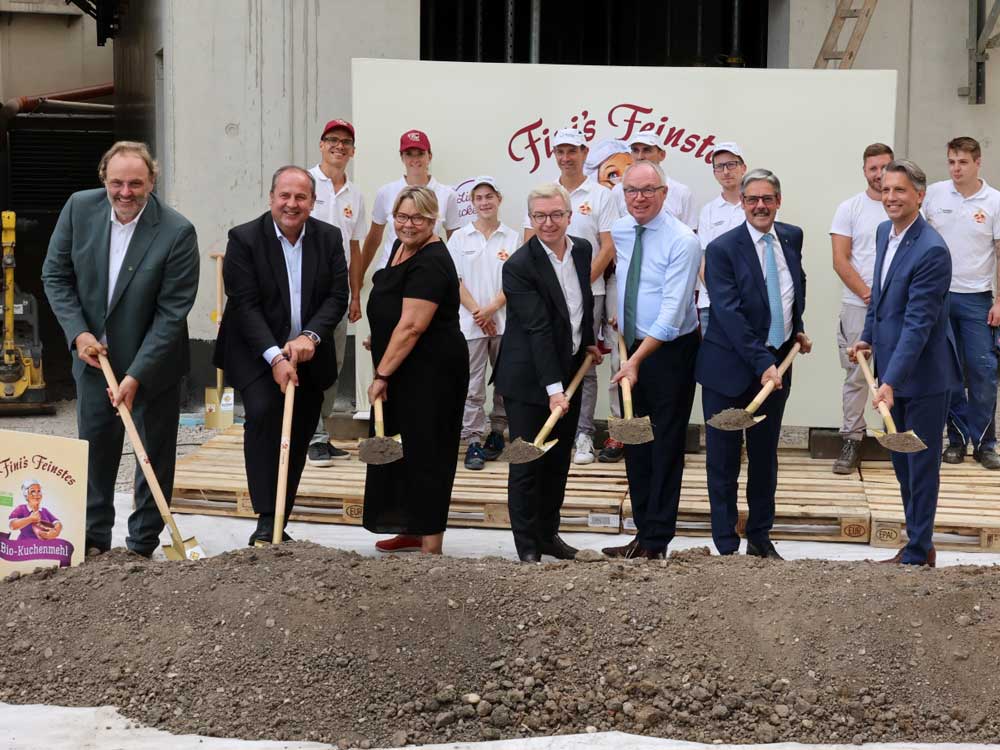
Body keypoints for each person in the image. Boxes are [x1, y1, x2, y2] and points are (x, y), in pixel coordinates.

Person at [42, 141, 199, 558]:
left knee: (152, 457)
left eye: (136, 183)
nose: (125, 192)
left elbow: (172, 313)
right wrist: (78, 334)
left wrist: (136, 375)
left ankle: (140, 546)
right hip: (94, 361)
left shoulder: (176, 232)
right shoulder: (79, 209)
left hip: (153, 366)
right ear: (103, 180)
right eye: (117, 182)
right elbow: (55, 275)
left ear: (152, 181)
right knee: (96, 452)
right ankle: (94, 541)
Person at [214, 166, 349, 545]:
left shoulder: (328, 237)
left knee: (300, 429)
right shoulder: (244, 239)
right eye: (285, 196)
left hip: (309, 352)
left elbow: (338, 296)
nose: (292, 204)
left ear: (312, 202)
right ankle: (265, 519)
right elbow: (244, 304)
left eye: (301, 197)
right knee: (263, 415)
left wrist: (310, 336)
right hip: (256, 349)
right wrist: (275, 357)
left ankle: (279, 519)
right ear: (271, 197)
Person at [849, 159, 961, 567]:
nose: (891, 197)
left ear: (919, 195)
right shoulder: (885, 232)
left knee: (920, 465)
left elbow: (918, 324)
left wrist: (891, 379)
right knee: (900, 462)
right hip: (891, 375)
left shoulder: (932, 250)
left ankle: (918, 550)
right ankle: (918, 543)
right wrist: (867, 336)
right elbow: (879, 297)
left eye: (900, 190)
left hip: (924, 377)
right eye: (886, 189)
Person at [695, 169, 811, 560]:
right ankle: (726, 545)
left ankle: (760, 538)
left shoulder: (792, 237)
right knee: (724, 460)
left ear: (778, 201)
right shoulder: (722, 248)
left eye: (767, 198)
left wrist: (797, 329)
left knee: (764, 458)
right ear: (742, 204)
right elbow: (728, 313)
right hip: (729, 370)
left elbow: (791, 288)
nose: (760, 206)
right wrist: (763, 361)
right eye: (752, 199)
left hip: (776, 366)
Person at [599, 161, 701, 559]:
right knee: (635, 440)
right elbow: (627, 281)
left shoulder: (682, 240)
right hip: (632, 349)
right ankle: (642, 532)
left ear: (664, 193)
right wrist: (621, 319)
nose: (638, 198)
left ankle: (658, 540)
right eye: (631, 191)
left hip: (668, 353)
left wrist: (637, 360)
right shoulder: (623, 230)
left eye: (647, 190)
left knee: (664, 444)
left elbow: (674, 313)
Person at [498, 183, 604, 563]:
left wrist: (589, 341)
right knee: (529, 462)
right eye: (540, 216)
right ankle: (527, 548)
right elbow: (538, 329)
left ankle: (548, 536)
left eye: (556, 214)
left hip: (568, 370)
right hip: (529, 379)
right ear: (530, 219)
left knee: (557, 462)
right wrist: (553, 390)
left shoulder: (582, 250)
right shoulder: (519, 266)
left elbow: (581, 303)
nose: (549, 223)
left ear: (569, 216)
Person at [364, 186, 469, 555]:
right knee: (400, 452)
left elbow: (412, 326)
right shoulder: (399, 248)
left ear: (433, 219)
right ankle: (408, 526)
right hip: (402, 367)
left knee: (428, 452)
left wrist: (381, 375)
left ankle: (431, 543)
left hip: (432, 373)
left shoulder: (433, 260)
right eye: (402, 217)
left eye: (418, 218)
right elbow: (394, 309)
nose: (409, 225)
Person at [523, 128, 616, 466]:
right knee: (547, 356)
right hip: (546, 297)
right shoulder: (545, 194)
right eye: (560, 151)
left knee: (584, 365)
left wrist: (576, 283)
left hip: (589, 293)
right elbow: (528, 244)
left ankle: (583, 434)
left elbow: (608, 248)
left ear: (583, 151)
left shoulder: (602, 195)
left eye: (572, 150)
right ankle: (549, 427)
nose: (566, 157)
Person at [923, 137, 1000, 470]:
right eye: (952, 161)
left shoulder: (994, 201)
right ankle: (954, 441)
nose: (956, 168)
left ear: (977, 162)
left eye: (963, 162)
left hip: (978, 299)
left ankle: (985, 443)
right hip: (940, 297)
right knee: (948, 372)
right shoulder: (936, 195)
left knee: (983, 371)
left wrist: (999, 301)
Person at [305, 119, 367, 466]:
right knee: (307, 360)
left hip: (337, 291)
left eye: (345, 142)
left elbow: (354, 249)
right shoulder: (305, 182)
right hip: (305, 288)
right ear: (321, 144)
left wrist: (355, 293)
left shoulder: (355, 195)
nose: (339, 147)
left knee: (334, 364)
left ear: (353, 151)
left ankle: (321, 433)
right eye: (332, 140)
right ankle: (310, 435)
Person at [829, 143, 893, 474]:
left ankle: (900, 441)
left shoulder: (904, 206)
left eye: (885, 166)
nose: (880, 174)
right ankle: (852, 440)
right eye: (873, 168)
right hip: (858, 306)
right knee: (857, 375)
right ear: (864, 171)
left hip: (897, 310)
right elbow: (840, 259)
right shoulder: (849, 208)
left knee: (900, 373)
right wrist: (870, 295)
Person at [447, 177, 518, 470]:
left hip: (504, 322)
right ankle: (473, 440)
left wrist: (492, 309)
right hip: (471, 323)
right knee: (473, 385)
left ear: (499, 199)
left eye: (490, 196)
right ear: (472, 203)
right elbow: (456, 281)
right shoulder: (460, 238)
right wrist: (479, 312)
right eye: (479, 198)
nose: (485, 202)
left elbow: (515, 280)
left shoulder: (512, 238)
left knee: (505, 383)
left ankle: (497, 433)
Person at [359, 129, 462, 277]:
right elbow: (374, 238)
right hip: (389, 271)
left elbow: (455, 241)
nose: (415, 159)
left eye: (420, 153)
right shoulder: (386, 192)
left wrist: (454, 278)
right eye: (409, 154)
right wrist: (358, 277)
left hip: (427, 273)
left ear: (429, 156)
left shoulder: (447, 195)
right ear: (402, 157)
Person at [696, 141, 748, 336]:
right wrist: (722, 295)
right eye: (719, 166)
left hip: (750, 303)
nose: (726, 171)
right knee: (715, 363)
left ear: (743, 167)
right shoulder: (708, 211)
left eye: (731, 164)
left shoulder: (757, 206)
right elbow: (702, 259)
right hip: (712, 303)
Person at [612, 133, 698, 230]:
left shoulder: (682, 192)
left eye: (647, 150)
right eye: (635, 150)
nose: (640, 157)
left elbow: (691, 232)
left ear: (662, 155)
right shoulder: (618, 190)